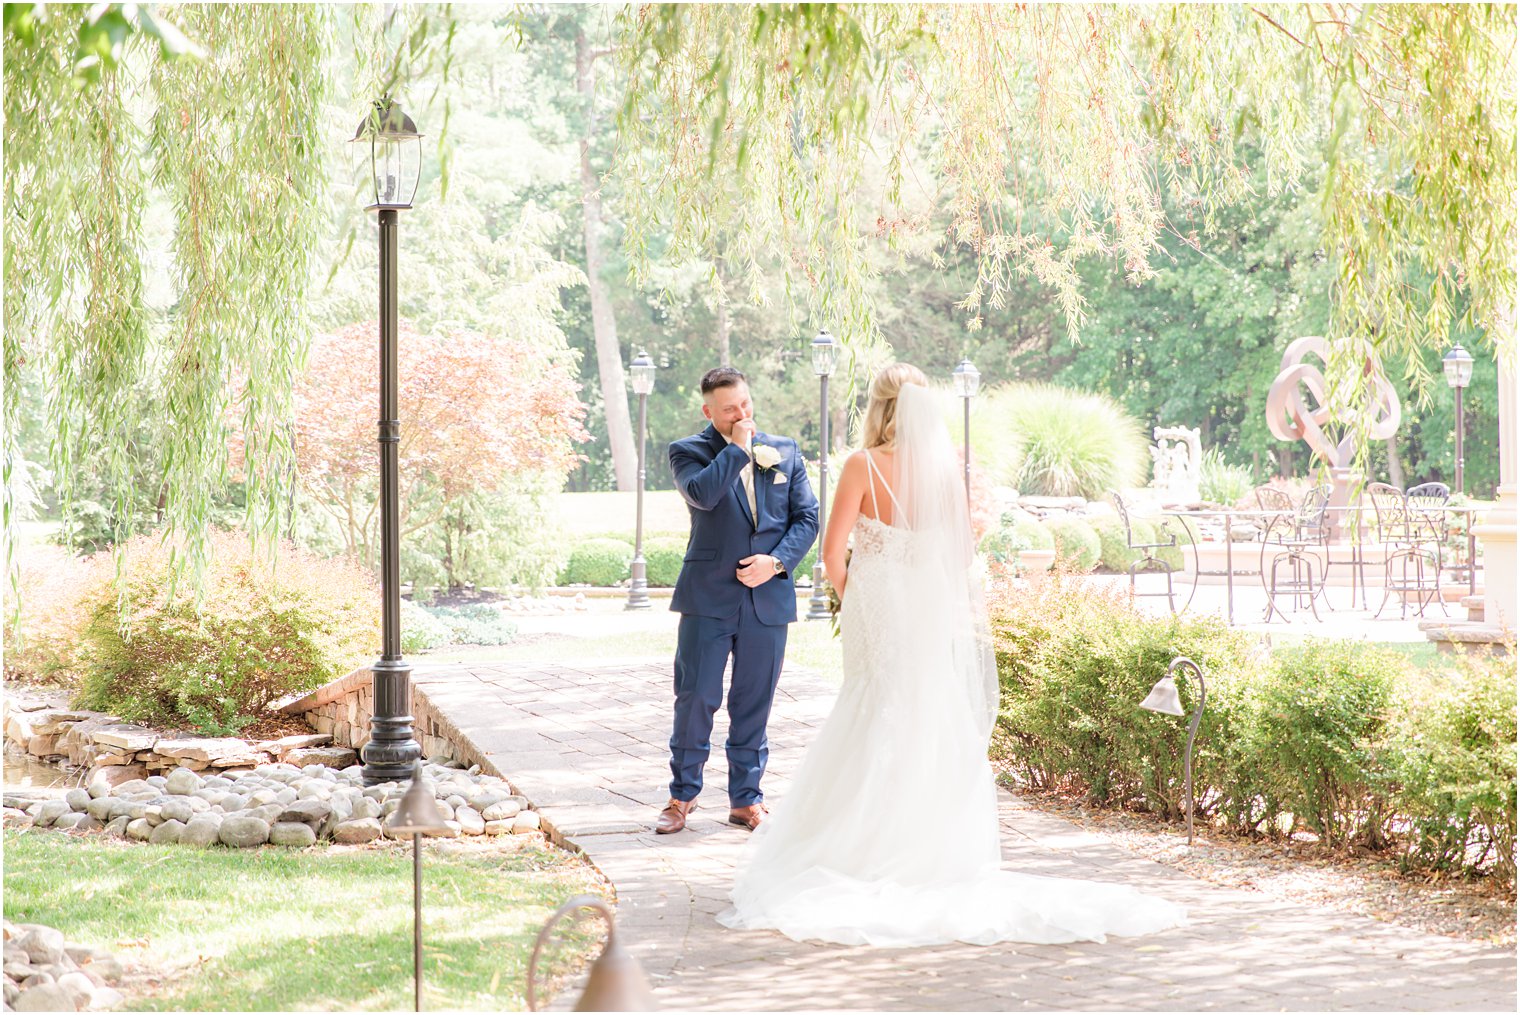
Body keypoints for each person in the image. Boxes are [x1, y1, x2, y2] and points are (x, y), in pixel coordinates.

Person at [717, 363, 1188, 946]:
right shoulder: (943, 474)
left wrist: (855, 598)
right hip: (925, 609)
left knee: (871, 705)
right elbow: (961, 555)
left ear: (878, 408)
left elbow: (833, 552)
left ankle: (862, 846)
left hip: (877, 607)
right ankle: (926, 846)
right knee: (926, 709)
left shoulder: (863, 466)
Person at [657, 367, 819, 835]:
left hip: (767, 598)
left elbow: (806, 518)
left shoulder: (785, 451)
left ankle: (746, 801)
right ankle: (680, 798)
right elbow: (704, 496)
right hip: (708, 598)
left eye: (745, 404)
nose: (741, 414)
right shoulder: (687, 452)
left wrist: (777, 562)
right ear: (709, 411)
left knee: (754, 702)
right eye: (729, 409)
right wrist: (737, 449)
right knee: (695, 699)